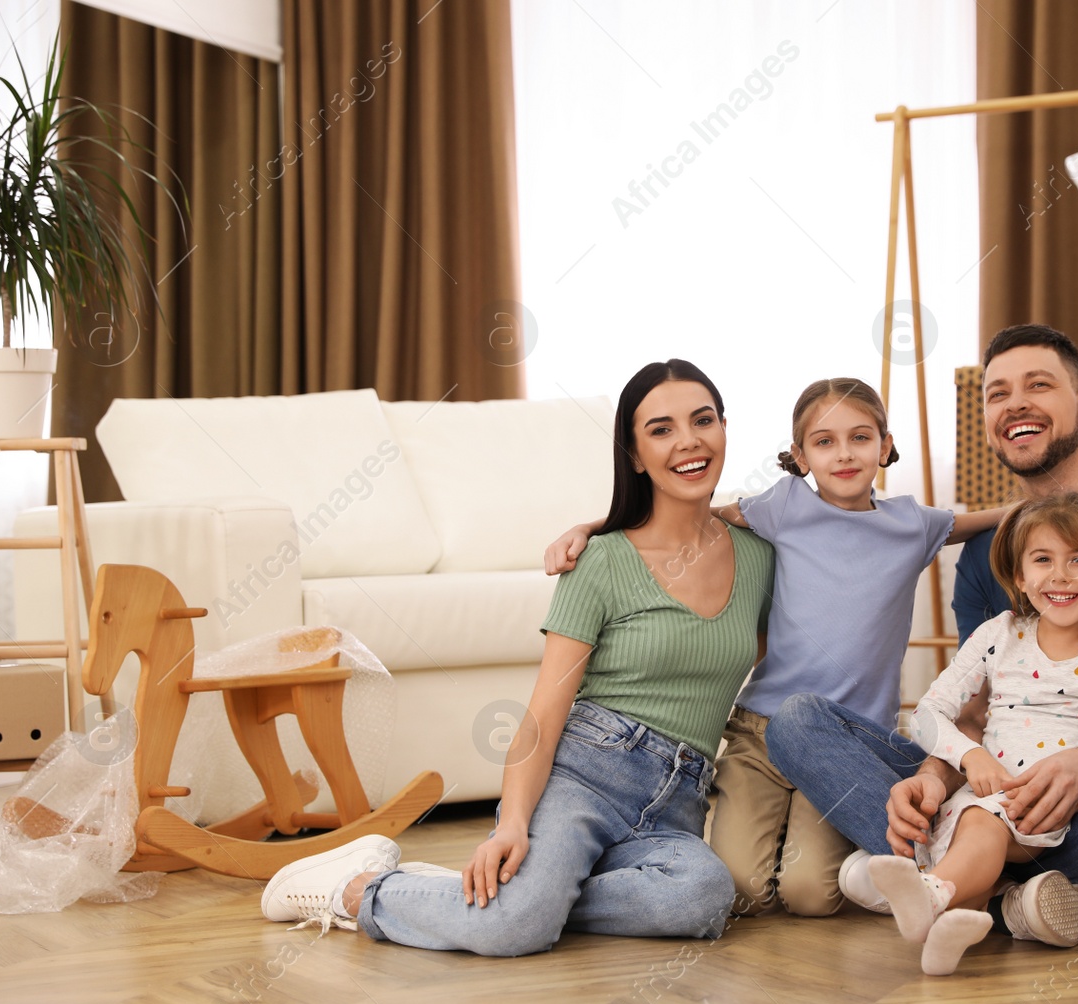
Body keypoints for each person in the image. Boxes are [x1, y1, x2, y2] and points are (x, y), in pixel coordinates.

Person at [258, 359, 775, 956]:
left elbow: (819, 510)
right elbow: (541, 713)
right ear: (634, 456)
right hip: (586, 773)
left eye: (702, 420)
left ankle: (502, 897)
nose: (688, 440)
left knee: (702, 899)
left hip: (679, 797)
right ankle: (358, 891)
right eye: (660, 429)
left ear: (724, 429)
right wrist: (511, 823)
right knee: (514, 929)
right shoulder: (601, 562)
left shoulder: (758, 553)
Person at [769, 322, 1078, 949]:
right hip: (1010, 800)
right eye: (997, 394)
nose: (1014, 403)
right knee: (798, 721)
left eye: (1039, 385)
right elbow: (978, 716)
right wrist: (937, 781)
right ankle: (1007, 890)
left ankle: (967, 881)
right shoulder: (985, 559)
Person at [548, 378, 1005, 916]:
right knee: (740, 889)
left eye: (860, 438)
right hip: (759, 735)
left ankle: (917, 874)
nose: (844, 453)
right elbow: (690, 516)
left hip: (840, 745)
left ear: (885, 446)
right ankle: (564, 887)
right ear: (800, 457)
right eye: (824, 441)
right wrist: (594, 526)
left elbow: (996, 517)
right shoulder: (784, 505)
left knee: (811, 895)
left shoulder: (915, 525)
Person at [869, 490, 1078, 975]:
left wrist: (1045, 788)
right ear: (1021, 576)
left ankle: (929, 892)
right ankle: (949, 932)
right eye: (1043, 560)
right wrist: (970, 758)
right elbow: (927, 715)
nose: (1060, 575)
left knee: (983, 823)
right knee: (967, 827)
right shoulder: (999, 633)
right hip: (981, 791)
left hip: (1047, 805)